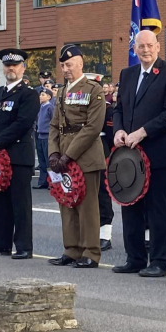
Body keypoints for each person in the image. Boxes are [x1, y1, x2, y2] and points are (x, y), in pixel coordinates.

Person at [111, 31, 166, 276]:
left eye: (149, 46)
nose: (145, 50)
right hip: (129, 154)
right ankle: (135, 258)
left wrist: (142, 132)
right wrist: (119, 130)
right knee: (130, 206)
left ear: (158, 47)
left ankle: (160, 261)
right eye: (140, 46)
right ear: (134, 48)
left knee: (158, 210)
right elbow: (118, 108)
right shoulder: (127, 74)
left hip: (157, 152)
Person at [47, 45, 107, 269]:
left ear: (81, 64)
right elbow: (54, 125)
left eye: (69, 64)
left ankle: (91, 253)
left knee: (87, 207)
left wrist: (68, 155)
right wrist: (54, 152)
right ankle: (71, 250)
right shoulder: (62, 91)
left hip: (86, 156)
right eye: (62, 65)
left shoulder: (93, 89)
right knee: (66, 203)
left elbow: (92, 128)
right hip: (63, 154)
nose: (65, 69)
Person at [0, 49, 40, 260]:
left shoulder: (28, 94)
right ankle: (0, 244)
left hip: (17, 156)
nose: (10, 69)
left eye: (15, 65)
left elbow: (22, 123)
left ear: (23, 68)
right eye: (7, 65)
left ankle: (23, 246)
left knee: (20, 204)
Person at [87, 73, 114, 252]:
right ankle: (87, 231)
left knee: (101, 193)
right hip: (81, 153)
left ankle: (105, 234)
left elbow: (111, 136)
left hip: (101, 151)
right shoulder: (79, 107)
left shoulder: (108, 108)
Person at [33, 88, 53, 190]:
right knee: (41, 161)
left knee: (48, 159)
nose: (41, 96)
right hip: (40, 135)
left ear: (49, 97)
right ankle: (43, 181)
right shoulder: (40, 107)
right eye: (40, 94)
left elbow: (53, 121)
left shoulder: (50, 107)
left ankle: (52, 182)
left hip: (47, 136)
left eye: (43, 95)